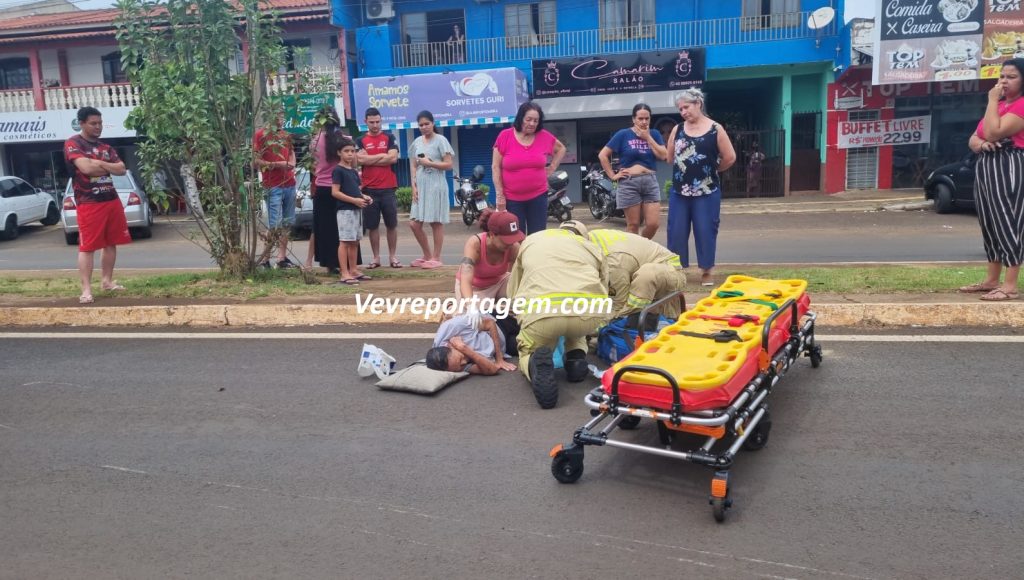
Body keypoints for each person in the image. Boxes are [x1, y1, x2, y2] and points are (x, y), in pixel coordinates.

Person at [507, 221, 611, 409]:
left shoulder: (531, 241)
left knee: (529, 347)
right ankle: (575, 358)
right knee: (576, 330)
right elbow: (604, 286)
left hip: (543, 315)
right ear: (581, 236)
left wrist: (522, 316)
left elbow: (514, 289)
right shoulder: (591, 247)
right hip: (586, 314)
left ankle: (534, 363)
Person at [962, 58, 1024, 301]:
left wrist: (990, 101)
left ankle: (1010, 284)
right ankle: (991, 279)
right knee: (989, 222)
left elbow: (993, 132)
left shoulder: (1020, 106)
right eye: (1002, 76)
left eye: (1012, 77)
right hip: (988, 166)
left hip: (1009, 164)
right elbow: (974, 138)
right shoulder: (999, 106)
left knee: (1008, 220)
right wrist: (981, 143)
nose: (1004, 81)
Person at [665, 88, 736, 287]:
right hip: (680, 191)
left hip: (707, 191)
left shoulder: (716, 129)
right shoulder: (677, 129)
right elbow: (670, 158)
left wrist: (712, 170)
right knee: (676, 231)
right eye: (680, 109)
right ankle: (676, 271)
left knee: (706, 230)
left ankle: (706, 271)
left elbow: (730, 157)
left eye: (686, 107)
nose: (683, 112)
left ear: (698, 104)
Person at [64, 106, 130, 305]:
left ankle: (107, 282)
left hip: (111, 199)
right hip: (89, 202)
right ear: (82, 123)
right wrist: (103, 165)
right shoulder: (73, 143)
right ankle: (86, 290)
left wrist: (99, 164)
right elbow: (85, 168)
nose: (98, 127)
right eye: (93, 123)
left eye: (100, 123)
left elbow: (121, 169)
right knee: (88, 247)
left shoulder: (105, 148)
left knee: (111, 242)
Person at [492, 102, 567, 235]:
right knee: (515, 238)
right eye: (528, 119)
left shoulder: (544, 136)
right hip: (512, 199)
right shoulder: (505, 136)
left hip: (538, 197)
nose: (532, 124)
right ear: (520, 118)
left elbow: (561, 149)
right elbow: (495, 167)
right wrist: (500, 196)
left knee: (538, 237)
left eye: (536, 121)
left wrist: (552, 167)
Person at [598, 103, 668, 239]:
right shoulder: (623, 134)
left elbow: (663, 155)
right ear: (633, 119)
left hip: (650, 180)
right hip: (629, 182)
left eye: (647, 118)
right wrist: (612, 175)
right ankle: (634, 254)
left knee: (653, 224)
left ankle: (642, 245)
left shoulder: (654, 134)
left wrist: (648, 138)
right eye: (640, 118)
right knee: (633, 225)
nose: (644, 122)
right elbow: (603, 155)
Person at [587, 228, 686, 320]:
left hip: (670, 269)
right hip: (638, 267)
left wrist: (600, 325)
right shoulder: (590, 240)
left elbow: (618, 304)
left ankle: (631, 320)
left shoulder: (613, 261)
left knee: (646, 276)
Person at [357, 107, 402, 269]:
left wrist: (369, 158)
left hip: (388, 188)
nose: (375, 125)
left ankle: (392, 257)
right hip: (369, 189)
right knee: (372, 226)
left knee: (391, 224)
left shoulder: (389, 137)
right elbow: (358, 160)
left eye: (377, 121)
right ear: (365, 122)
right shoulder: (359, 140)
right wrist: (382, 156)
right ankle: (376, 258)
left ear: (381, 120)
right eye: (371, 122)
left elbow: (393, 159)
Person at [408, 110, 454, 269]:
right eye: (420, 125)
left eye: (427, 124)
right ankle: (427, 255)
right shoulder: (417, 142)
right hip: (421, 186)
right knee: (414, 224)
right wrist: (413, 185)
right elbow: (413, 165)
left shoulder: (441, 140)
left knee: (435, 222)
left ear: (433, 123)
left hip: (436, 185)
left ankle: (436, 257)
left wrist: (430, 164)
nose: (424, 127)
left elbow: (449, 164)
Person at [254, 115, 298, 269]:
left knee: (287, 223)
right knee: (275, 224)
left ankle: (281, 258)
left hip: (290, 183)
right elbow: (256, 161)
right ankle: (265, 259)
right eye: (278, 116)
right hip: (272, 184)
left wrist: (292, 162)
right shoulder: (261, 135)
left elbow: (292, 153)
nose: (281, 120)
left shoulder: (285, 135)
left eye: (282, 116)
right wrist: (277, 164)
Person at [331, 136, 374, 285]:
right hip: (345, 211)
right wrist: (354, 200)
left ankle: (353, 269)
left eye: (352, 151)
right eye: (346, 151)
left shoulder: (354, 171)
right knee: (344, 241)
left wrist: (364, 197)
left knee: (355, 241)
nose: (350, 154)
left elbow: (356, 191)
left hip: (356, 210)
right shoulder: (338, 170)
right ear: (339, 153)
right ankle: (344, 272)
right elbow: (335, 192)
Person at [307, 106, 345, 274]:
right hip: (341, 187)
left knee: (322, 228)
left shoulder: (315, 141)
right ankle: (346, 263)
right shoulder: (343, 138)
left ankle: (327, 263)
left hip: (322, 188)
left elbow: (313, 167)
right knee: (342, 228)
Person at [456, 209, 524, 301]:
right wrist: (470, 306)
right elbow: (465, 278)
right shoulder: (475, 244)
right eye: (506, 240)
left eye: (513, 239)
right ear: (492, 235)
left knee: (524, 296)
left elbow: (524, 273)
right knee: (477, 311)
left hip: (499, 283)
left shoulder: (513, 247)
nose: (511, 243)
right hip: (474, 287)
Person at [425, 312, 516, 375]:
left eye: (461, 359)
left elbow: (490, 323)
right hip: (505, 346)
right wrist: (466, 350)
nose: (464, 362)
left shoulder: (453, 327)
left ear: (450, 346)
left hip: (499, 325)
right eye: (461, 366)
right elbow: (492, 369)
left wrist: (499, 359)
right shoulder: (453, 365)